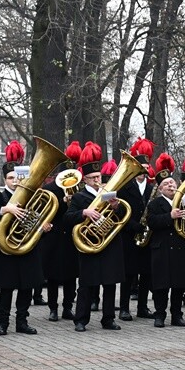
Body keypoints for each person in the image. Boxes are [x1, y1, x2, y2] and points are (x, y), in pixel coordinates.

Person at [64, 142, 126, 332]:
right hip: (89, 245)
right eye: (92, 178)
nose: (96, 180)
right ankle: (81, 320)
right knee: (87, 285)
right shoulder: (79, 197)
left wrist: (116, 206)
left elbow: (124, 214)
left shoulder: (109, 194)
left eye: (98, 177)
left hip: (109, 244)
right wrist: (84, 212)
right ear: (85, 180)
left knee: (109, 284)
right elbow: (67, 218)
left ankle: (108, 319)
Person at [0, 155, 42, 335]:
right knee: (7, 287)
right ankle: (2, 323)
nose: (14, 181)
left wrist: (43, 224)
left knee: (26, 286)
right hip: (6, 249)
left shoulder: (33, 196)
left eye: (17, 177)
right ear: (5, 179)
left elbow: (39, 216)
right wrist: (6, 209)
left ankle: (22, 322)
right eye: (10, 178)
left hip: (27, 246)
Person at [146, 155, 185, 328]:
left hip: (181, 249)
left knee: (179, 285)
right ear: (160, 189)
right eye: (166, 184)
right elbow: (152, 222)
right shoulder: (154, 204)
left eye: (172, 183)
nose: (171, 186)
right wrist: (170, 216)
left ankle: (177, 315)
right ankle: (159, 315)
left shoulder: (184, 202)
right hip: (162, 249)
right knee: (161, 286)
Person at [41, 141, 83, 322]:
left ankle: (68, 307)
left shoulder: (78, 192)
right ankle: (53, 308)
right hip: (54, 236)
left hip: (71, 237)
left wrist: (72, 203)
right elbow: (44, 213)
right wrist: (63, 203)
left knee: (71, 276)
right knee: (52, 276)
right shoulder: (49, 190)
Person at [118, 137, 155, 321]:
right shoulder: (124, 187)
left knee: (146, 273)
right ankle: (124, 307)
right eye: (142, 168)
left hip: (146, 236)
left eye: (147, 169)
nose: (145, 171)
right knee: (128, 273)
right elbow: (120, 211)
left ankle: (142, 307)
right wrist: (133, 225)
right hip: (129, 235)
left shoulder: (151, 188)